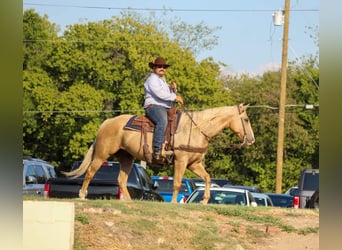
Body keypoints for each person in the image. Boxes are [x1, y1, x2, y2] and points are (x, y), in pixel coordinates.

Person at [143, 57, 184, 162]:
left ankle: (170, 146)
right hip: (153, 107)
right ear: (154, 68)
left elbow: (167, 96)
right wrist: (175, 97)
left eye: (164, 67)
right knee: (162, 120)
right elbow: (160, 94)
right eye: (159, 66)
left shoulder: (163, 81)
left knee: (177, 120)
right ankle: (157, 150)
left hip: (164, 107)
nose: (162, 68)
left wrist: (173, 90)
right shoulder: (152, 80)